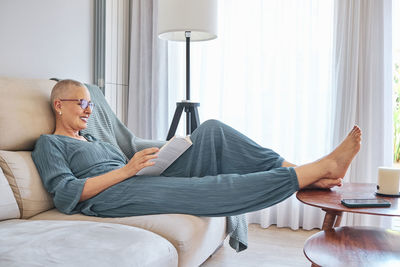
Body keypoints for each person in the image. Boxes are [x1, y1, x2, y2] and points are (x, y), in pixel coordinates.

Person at [32, 79, 361, 218]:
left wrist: (147, 164)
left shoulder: (93, 139)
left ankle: (294, 168)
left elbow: (130, 168)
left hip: (136, 178)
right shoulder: (49, 144)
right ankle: (316, 171)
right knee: (209, 187)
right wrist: (128, 170)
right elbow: (65, 195)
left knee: (212, 130)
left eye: (91, 103)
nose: (90, 110)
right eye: (83, 103)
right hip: (109, 195)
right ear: (59, 105)